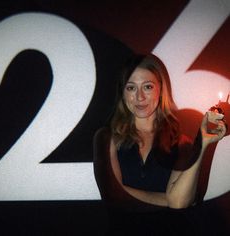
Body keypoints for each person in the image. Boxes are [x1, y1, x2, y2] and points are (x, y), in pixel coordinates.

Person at [93, 53, 228, 235]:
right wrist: (170, 199)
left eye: (147, 87)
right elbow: (114, 196)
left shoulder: (181, 143)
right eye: (131, 88)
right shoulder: (105, 137)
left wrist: (202, 143)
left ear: (161, 89)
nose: (140, 97)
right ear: (122, 92)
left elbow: (180, 203)